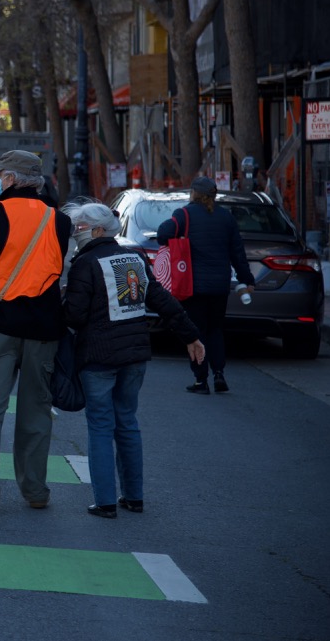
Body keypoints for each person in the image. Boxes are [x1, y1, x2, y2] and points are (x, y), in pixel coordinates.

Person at [62, 200, 205, 518]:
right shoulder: (135, 256)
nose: (77, 232)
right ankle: (134, 496)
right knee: (127, 422)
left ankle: (105, 502)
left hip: (98, 357)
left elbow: (74, 315)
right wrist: (191, 336)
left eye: (81, 227)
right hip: (135, 356)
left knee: (100, 426)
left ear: (97, 230)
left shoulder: (85, 264)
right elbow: (160, 299)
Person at [0, 149, 71, 516]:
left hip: (0, 328)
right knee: (36, 413)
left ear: (8, 179)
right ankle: (35, 490)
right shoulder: (59, 221)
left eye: (0, 175)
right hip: (44, 329)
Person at [156, 175, 255, 394]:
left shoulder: (184, 215)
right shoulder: (226, 218)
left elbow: (162, 234)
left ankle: (201, 381)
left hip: (194, 286)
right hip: (220, 286)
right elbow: (237, 253)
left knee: (196, 332)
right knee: (216, 330)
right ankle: (219, 374)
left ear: (194, 193)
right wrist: (246, 280)